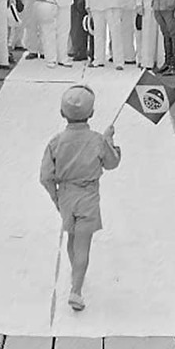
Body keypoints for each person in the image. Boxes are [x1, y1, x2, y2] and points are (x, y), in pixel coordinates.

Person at [39, 84, 121, 312]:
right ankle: (76, 289)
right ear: (92, 113)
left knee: (72, 238)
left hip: (66, 196)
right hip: (88, 196)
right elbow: (111, 163)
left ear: (62, 113)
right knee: (84, 244)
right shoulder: (97, 140)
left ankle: (75, 272)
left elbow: (45, 176)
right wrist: (109, 141)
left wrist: (56, 198)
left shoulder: (55, 142)